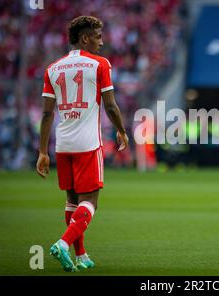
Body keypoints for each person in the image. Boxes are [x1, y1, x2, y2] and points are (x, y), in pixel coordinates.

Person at [36, 16, 129, 272]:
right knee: (91, 202)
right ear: (85, 37)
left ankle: (82, 255)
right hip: (88, 143)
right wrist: (122, 131)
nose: (102, 41)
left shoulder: (53, 68)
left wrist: (42, 151)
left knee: (72, 201)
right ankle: (63, 244)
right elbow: (110, 105)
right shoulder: (100, 64)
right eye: (98, 36)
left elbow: (47, 114)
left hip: (63, 143)